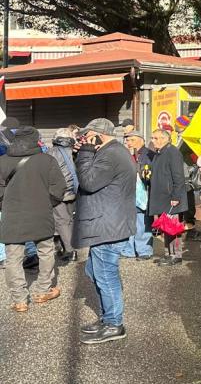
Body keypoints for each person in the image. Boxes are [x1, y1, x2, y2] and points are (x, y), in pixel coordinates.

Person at [74, 118, 137, 344]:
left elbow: (88, 182)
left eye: (87, 136)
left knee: (106, 275)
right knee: (94, 271)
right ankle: (107, 318)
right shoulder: (113, 151)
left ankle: (114, 324)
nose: (83, 141)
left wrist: (85, 153)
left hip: (108, 226)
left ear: (98, 135)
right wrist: (86, 152)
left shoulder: (111, 154)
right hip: (107, 223)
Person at [0, 126, 66, 312]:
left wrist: (6, 206)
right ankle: (42, 290)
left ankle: (19, 300)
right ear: (36, 139)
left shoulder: (2, 161)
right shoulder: (48, 160)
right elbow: (59, 189)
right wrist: (47, 203)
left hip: (12, 217)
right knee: (45, 251)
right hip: (41, 214)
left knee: (13, 258)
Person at [147, 129, 187, 265]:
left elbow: (178, 176)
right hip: (162, 197)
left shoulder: (172, 152)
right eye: (152, 138)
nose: (153, 140)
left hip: (171, 197)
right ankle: (168, 254)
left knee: (172, 227)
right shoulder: (160, 152)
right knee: (166, 227)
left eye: (155, 138)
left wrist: (176, 196)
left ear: (165, 139)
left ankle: (176, 255)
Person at [49, 128, 80, 262]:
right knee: (69, 220)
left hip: (59, 192)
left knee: (62, 221)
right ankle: (71, 247)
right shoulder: (73, 150)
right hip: (73, 190)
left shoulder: (52, 152)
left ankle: (70, 251)